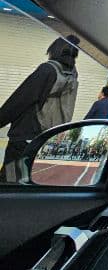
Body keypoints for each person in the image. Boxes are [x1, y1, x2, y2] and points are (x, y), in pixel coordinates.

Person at [0, 35, 79, 180]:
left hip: (25, 136)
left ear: (54, 51)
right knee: (24, 178)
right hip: (43, 138)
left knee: (9, 180)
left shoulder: (47, 70)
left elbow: (19, 100)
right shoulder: (72, 75)